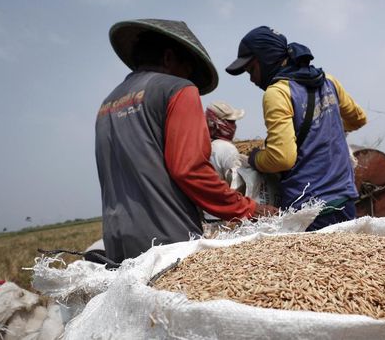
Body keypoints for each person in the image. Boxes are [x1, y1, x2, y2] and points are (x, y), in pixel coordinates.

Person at [96, 19, 277, 263]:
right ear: (170, 58)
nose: (189, 77)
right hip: (166, 241)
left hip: (117, 242)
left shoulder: (108, 104)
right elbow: (190, 169)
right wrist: (250, 209)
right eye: (188, 69)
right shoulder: (177, 89)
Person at [225, 26, 367, 231]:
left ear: (266, 59)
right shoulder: (328, 81)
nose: (252, 79)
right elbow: (358, 118)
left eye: (251, 70)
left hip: (308, 211)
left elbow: (282, 158)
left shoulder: (277, 93)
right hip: (344, 201)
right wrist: (325, 128)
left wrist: (255, 158)